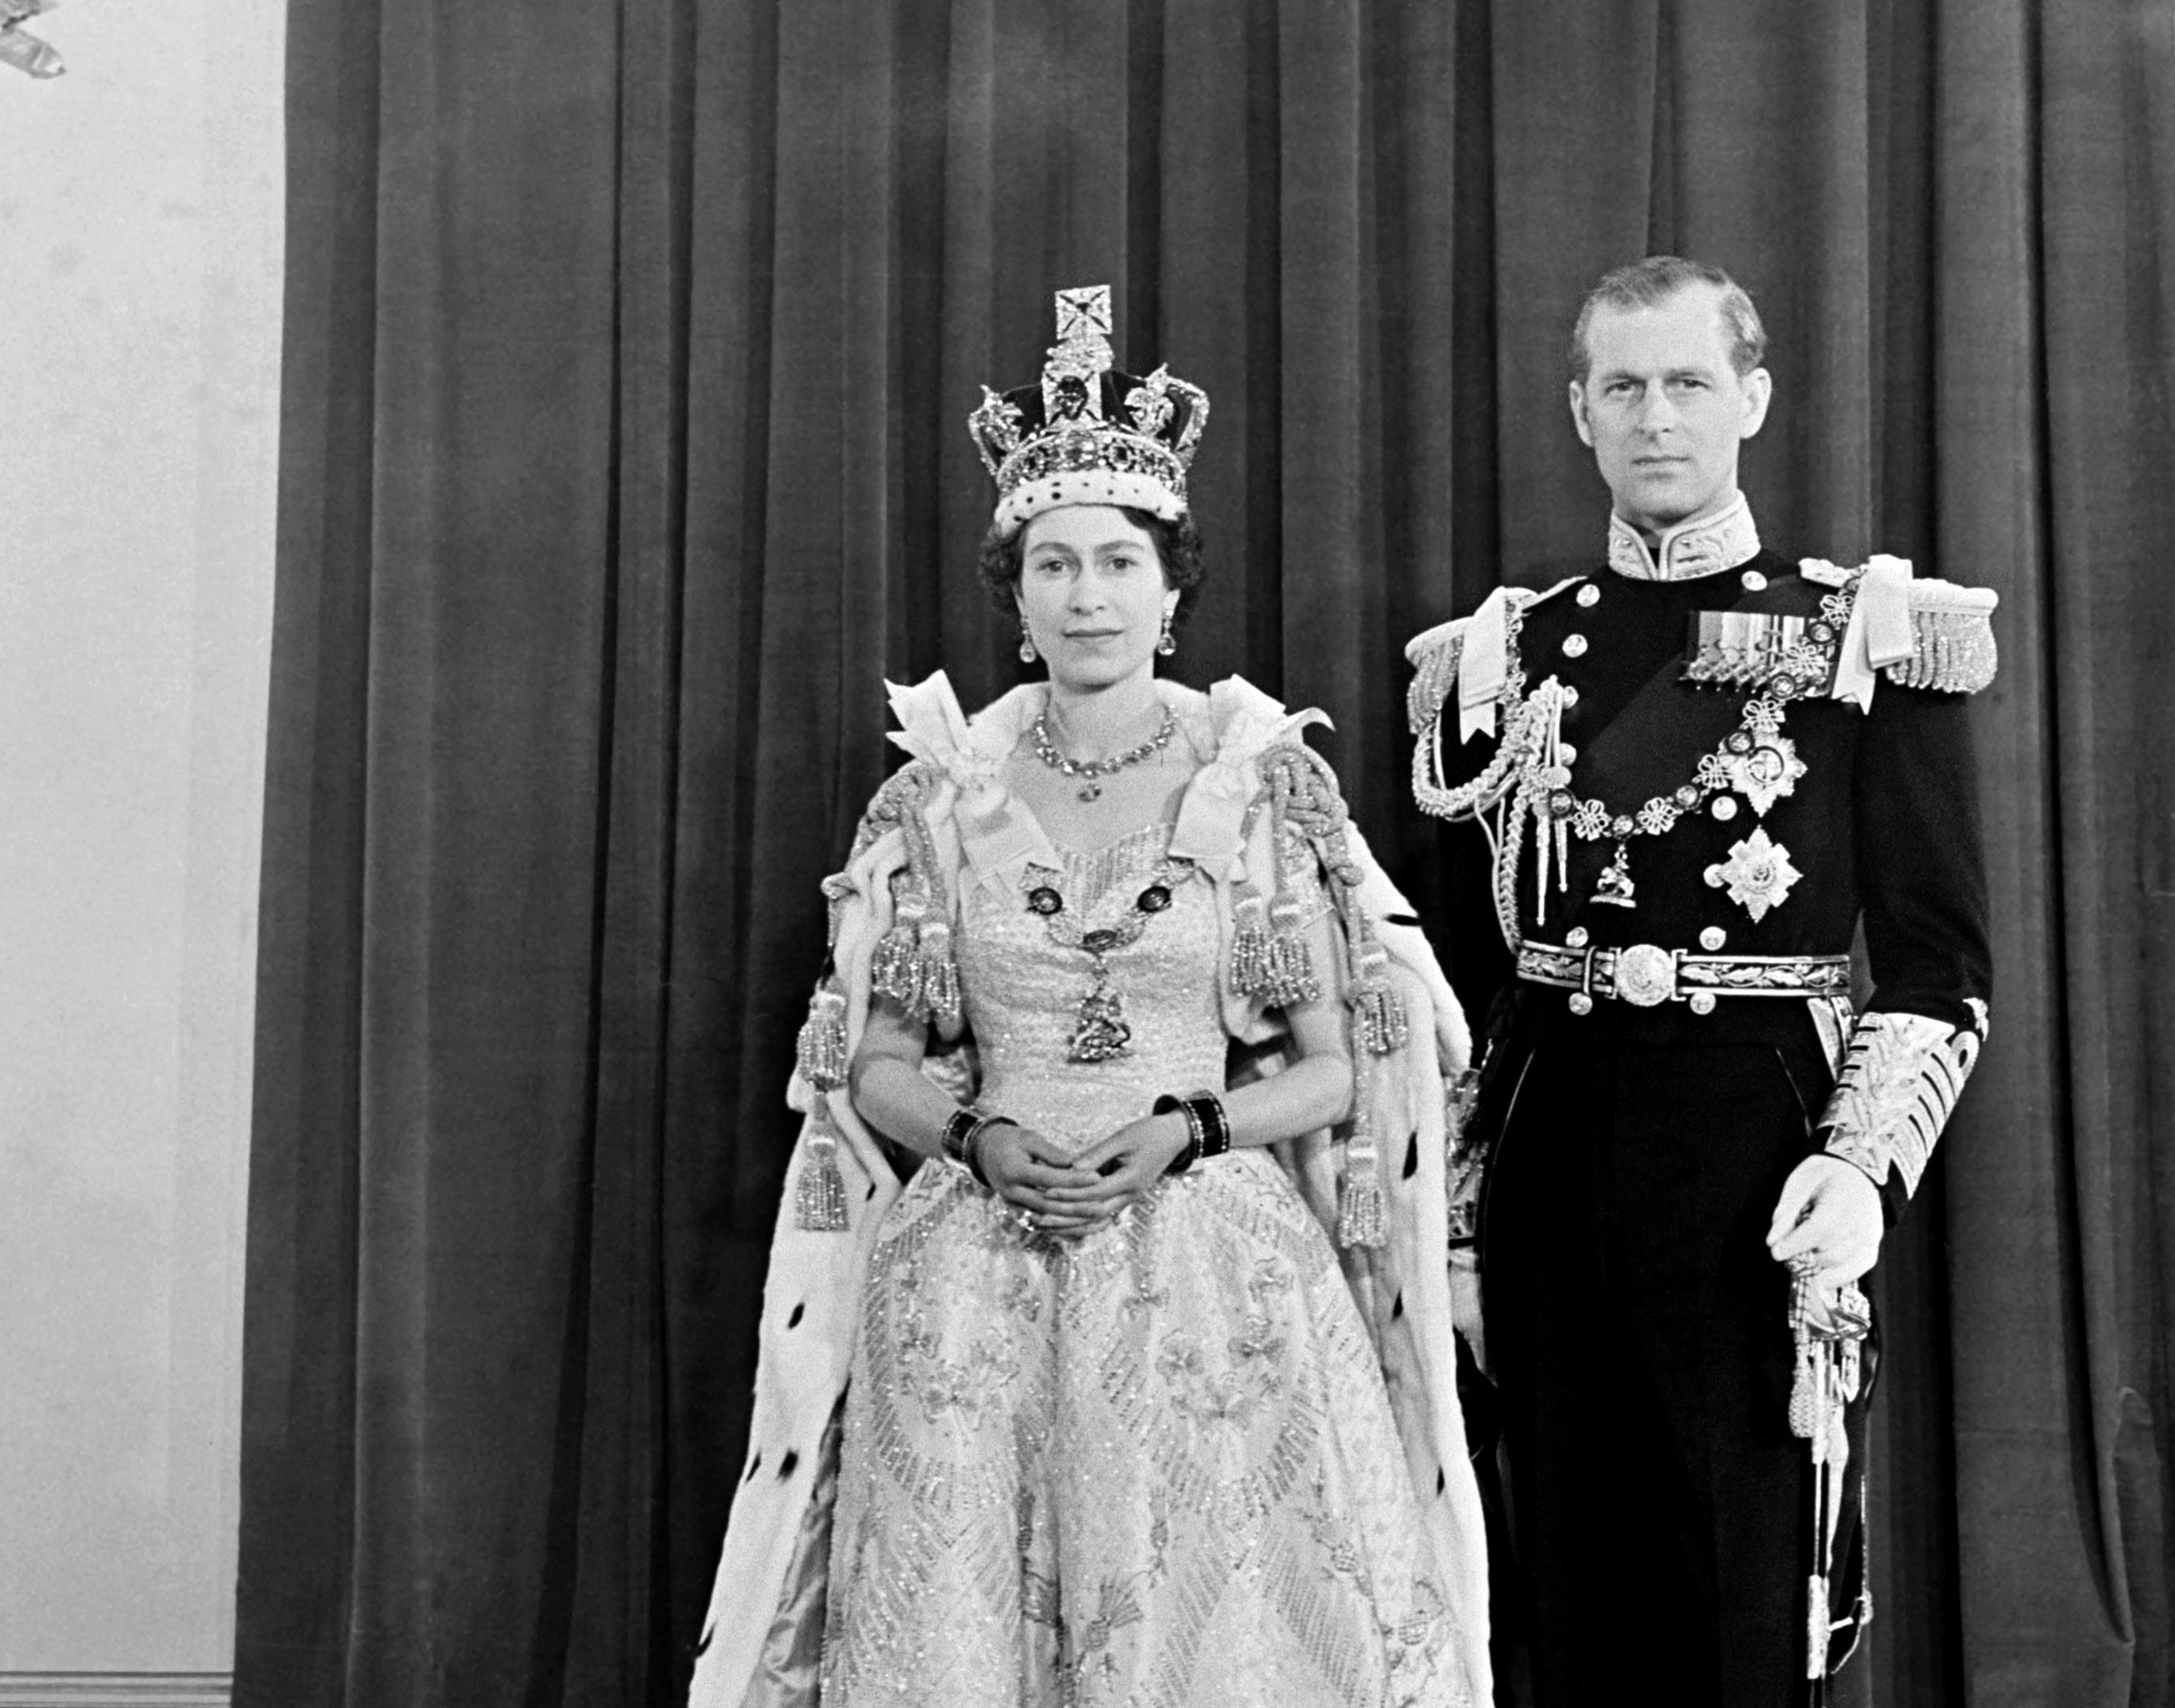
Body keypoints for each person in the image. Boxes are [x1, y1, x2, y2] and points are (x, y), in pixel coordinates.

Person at [692, 285, 1492, 1708]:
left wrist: (1188, 1129)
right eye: (1055, 565)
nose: (1089, 594)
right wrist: (978, 1140)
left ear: (1172, 590)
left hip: (1209, 1253)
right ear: (1017, 598)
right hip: (978, 1255)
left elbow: (1330, 1070)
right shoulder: (937, 798)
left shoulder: (1256, 793)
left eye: (1119, 562)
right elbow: (875, 1058)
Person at [1407, 256, 1996, 1704]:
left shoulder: (1863, 633)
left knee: (1744, 1581)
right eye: (1623, 387)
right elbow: (1467, 991)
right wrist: (1462, 1219)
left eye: (1685, 383)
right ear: (1578, 413)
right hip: (1553, 1150)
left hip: (1760, 1151)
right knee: (1561, 1573)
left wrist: (1862, 1168)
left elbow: (1935, 963)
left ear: (1753, 398)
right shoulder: (1502, 657)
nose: (1654, 417)